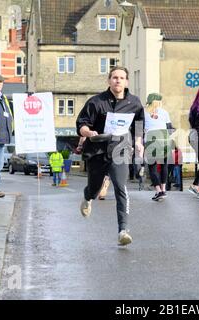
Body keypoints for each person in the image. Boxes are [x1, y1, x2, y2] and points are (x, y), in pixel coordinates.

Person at [76, 66, 144, 246]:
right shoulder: (96, 102)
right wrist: (88, 133)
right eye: (115, 77)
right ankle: (87, 197)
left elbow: (139, 125)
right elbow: (81, 124)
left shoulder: (135, 103)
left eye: (122, 78)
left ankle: (123, 230)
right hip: (97, 150)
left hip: (120, 150)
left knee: (120, 187)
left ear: (127, 81)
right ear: (109, 80)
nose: (118, 81)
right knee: (95, 187)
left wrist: (138, 142)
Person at [143, 93, 173, 201]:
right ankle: (164, 189)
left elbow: (138, 127)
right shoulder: (164, 112)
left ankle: (158, 191)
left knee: (152, 166)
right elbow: (170, 128)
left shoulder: (143, 112)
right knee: (164, 165)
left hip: (151, 138)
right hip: (164, 137)